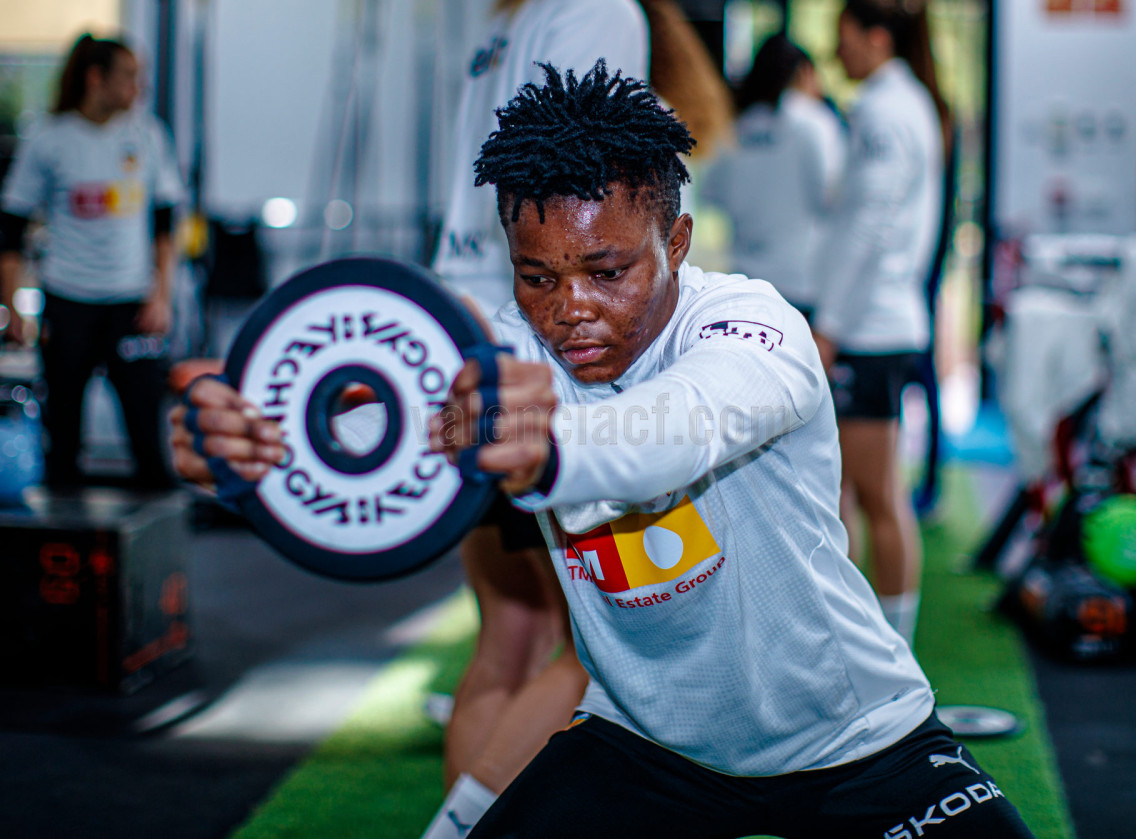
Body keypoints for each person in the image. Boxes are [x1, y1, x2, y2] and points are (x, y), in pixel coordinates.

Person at [171, 60, 1033, 839]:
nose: (570, 308)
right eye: (537, 276)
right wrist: (254, 455)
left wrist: (545, 448)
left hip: (853, 737)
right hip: (648, 742)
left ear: (677, 243)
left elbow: (684, 423)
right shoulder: (509, 356)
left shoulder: (751, 324)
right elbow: (382, 444)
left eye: (608, 271)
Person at [423, 1, 648, 834]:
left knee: (507, 633)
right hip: (531, 354)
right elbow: (575, 210)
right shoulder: (593, 10)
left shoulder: (503, 22)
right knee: (594, 651)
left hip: (462, 332)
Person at [808, 0, 953, 645]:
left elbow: (870, 224)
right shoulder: (903, 103)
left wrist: (831, 325)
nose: (836, 53)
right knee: (845, 490)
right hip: (874, 320)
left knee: (874, 492)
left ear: (876, 38)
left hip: (869, 328)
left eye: (842, 38)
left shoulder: (886, 110)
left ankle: (893, 652)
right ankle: (858, 643)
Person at [1, 33, 184, 490]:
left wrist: (162, 296)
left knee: (149, 443)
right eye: (129, 77)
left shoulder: (147, 135)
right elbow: (11, 231)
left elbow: (166, 225)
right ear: (96, 78)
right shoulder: (50, 139)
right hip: (69, 300)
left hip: (131, 304)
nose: (138, 88)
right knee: (62, 445)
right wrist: (14, 308)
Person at [702, 32, 846, 316]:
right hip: (802, 281)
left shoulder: (735, 127)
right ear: (804, 72)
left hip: (745, 280)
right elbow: (835, 195)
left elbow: (711, 194)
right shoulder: (814, 122)